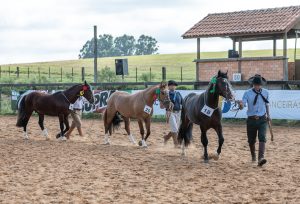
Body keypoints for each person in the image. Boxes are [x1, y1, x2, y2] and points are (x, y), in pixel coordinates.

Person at [238, 74, 270, 167]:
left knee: (262, 137)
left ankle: (261, 158)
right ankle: (253, 156)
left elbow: (267, 104)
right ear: (253, 84)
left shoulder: (266, 92)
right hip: (251, 120)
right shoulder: (247, 93)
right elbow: (242, 105)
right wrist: (240, 105)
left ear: (261, 85)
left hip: (262, 119)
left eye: (259, 85)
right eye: (256, 85)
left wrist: (269, 115)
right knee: (251, 141)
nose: (257, 86)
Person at [163, 80, 183, 147]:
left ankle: (166, 137)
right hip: (170, 112)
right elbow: (164, 103)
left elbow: (182, 102)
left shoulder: (178, 93)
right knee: (174, 128)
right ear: (168, 86)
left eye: (174, 86)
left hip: (178, 112)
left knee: (175, 128)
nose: (173, 87)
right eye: (171, 85)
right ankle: (176, 144)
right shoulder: (166, 94)